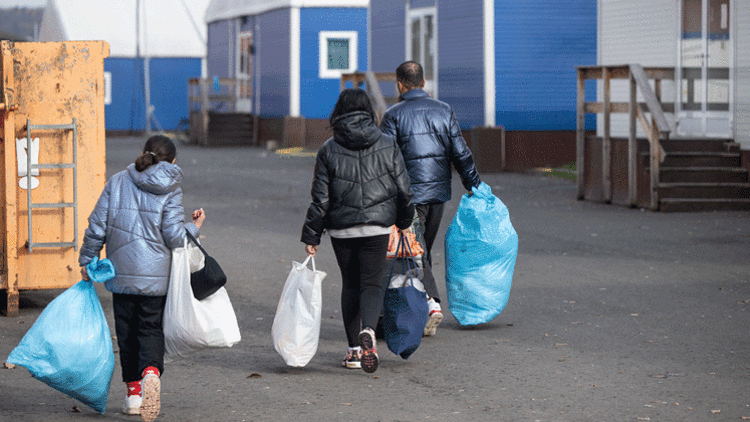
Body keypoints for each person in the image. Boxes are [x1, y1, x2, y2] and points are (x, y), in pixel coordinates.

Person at [78, 135, 205, 421]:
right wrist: (194, 227)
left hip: (121, 275)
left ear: (143, 153)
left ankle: (133, 395)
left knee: (126, 335)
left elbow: (96, 226)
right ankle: (151, 372)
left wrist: (87, 260)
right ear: (173, 161)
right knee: (149, 329)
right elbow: (174, 237)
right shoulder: (171, 189)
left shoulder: (117, 181)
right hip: (156, 279)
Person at [302, 89, 414, 374]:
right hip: (377, 226)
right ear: (368, 111)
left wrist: (312, 236)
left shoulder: (328, 148)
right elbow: (404, 190)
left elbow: (321, 199)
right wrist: (403, 222)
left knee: (350, 284)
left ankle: (354, 351)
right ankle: (369, 331)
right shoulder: (388, 144)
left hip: (342, 230)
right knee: (372, 283)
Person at [381, 61, 482, 337]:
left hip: (408, 196)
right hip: (438, 194)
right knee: (421, 249)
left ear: (400, 85)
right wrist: (474, 185)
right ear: (423, 83)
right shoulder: (444, 110)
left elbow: (385, 158)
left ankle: (431, 303)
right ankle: (423, 305)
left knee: (416, 251)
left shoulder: (392, 115)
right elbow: (460, 152)